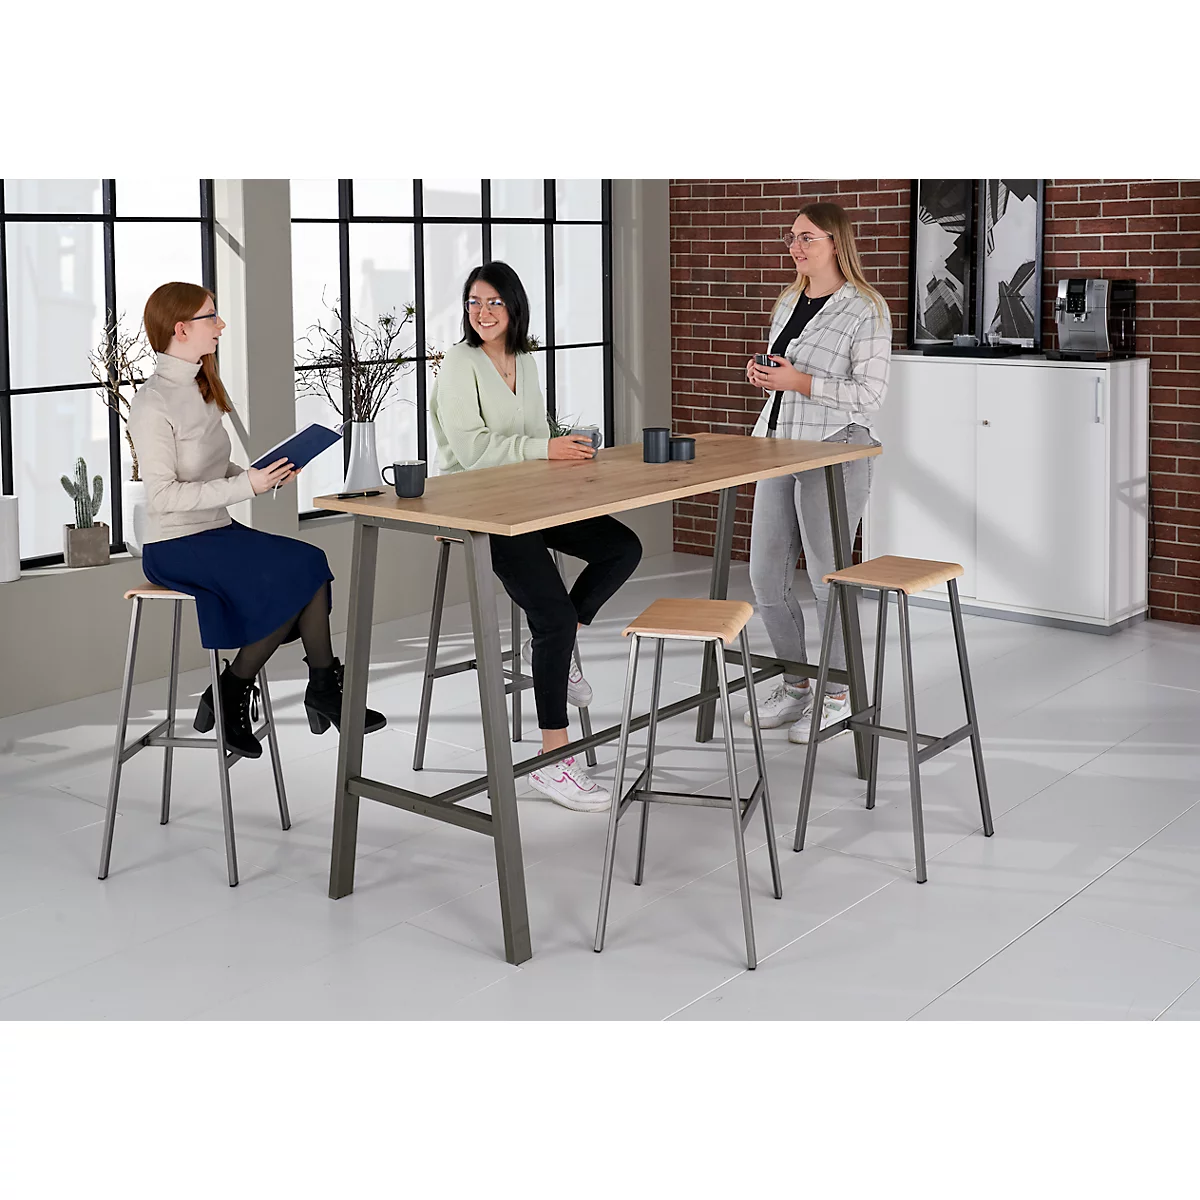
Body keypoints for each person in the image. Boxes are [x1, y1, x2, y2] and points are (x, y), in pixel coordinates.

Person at [129, 281, 386, 758]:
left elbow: (208, 470)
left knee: (309, 562)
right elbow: (163, 497)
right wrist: (247, 486)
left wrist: (262, 474)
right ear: (180, 329)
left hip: (215, 531)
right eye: (212, 317)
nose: (220, 325)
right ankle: (266, 688)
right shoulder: (152, 404)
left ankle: (301, 684)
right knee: (299, 571)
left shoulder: (202, 389)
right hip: (175, 546)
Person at [430, 261, 642, 812]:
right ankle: (554, 763)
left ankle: (563, 640)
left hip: (534, 498)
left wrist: (562, 441)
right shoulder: (459, 363)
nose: (482, 313)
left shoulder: (524, 359)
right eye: (474, 302)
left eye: (494, 302)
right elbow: (474, 450)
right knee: (547, 618)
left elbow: (533, 433)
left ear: (515, 307)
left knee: (622, 547)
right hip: (481, 506)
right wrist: (543, 449)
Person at [744, 203, 892, 744]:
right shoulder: (788, 300)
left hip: (835, 450)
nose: (796, 247)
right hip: (779, 447)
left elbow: (870, 395)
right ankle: (797, 684)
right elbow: (785, 370)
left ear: (836, 242)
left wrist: (800, 383)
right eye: (792, 238)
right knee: (765, 577)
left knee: (828, 578)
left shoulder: (865, 309)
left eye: (807, 238)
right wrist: (766, 376)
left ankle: (838, 692)